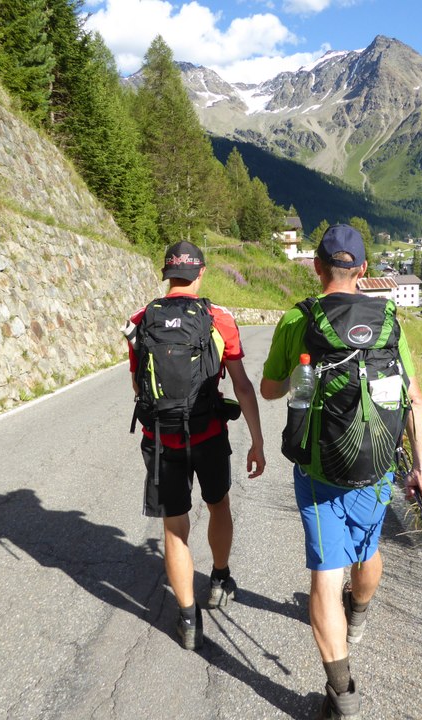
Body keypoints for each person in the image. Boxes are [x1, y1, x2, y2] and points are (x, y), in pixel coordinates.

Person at [260, 225, 422, 719]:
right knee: (369, 549)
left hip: (318, 469)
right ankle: (357, 617)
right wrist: (420, 469)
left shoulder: (299, 318)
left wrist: (305, 378)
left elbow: (271, 390)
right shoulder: (390, 319)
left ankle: (344, 699)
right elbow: (413, 399)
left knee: (324, 576)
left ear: (317, 267)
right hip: (376, 465)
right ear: (364, 271)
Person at [127, 240, 265, 651]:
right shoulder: (218, 319)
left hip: (161, 440)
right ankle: (219, 578)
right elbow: (240, 383)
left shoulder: (141, 319)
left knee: (175, 525)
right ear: (201, 272)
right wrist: (256, 441)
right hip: (207, 434)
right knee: (218, 503)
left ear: (166, 273)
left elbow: (138, 385)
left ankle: (188, 620)